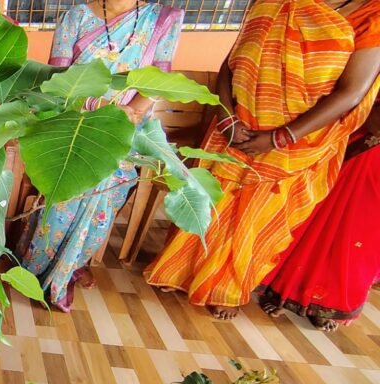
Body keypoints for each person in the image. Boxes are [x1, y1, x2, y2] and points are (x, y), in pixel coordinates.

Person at [145, 0, 380, 320]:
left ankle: (226, 288)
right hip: (236, 126)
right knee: (211, 200)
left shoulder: (372, 17)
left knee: (259, 217)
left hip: (295, 142)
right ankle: (180, 271)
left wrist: (280, 137)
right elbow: (232, 61)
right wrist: (227, 117)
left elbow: (351, 92)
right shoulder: (272, 2)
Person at [18, 0, 183, 312]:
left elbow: (158, 79)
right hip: (74, 123)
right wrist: (99, 107)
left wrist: (129, 112)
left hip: (126, 128)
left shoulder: (162, 19)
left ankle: (72, 263)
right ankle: (42, 265)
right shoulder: (75, 17)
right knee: (67, 190)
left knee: (105, 195)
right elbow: (59, 81)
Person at [259, 94, 380, 332]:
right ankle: (284, 292)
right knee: (322, 220)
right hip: (363, 145)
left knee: (361, 239)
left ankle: (327, 305)